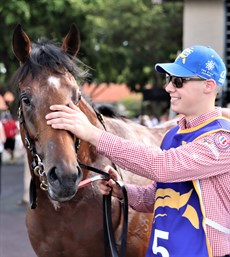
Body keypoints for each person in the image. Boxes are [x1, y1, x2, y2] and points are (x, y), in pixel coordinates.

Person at [45, 45, 230, 257]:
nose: (169, 87)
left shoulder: (222, 140)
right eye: (169, 80)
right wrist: (123, 191)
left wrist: (93, 134)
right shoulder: (173, 135)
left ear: (208, 86)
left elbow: (163, 167)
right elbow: (160, 195)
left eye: (179, 81)